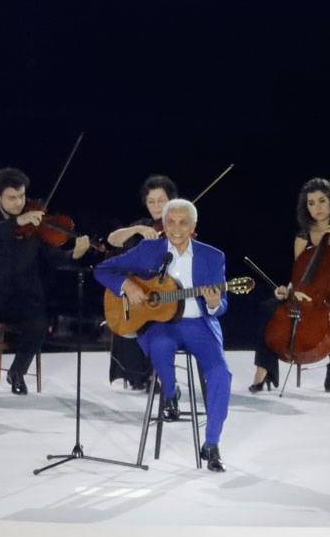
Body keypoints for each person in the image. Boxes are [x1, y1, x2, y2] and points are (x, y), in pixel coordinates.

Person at [95, 199, 231, 472]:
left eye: (183, 222)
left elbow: (221, 305)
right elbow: (103, 269)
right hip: (161, 323)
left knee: (220, 374)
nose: (176, 228)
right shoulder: (149, 250)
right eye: (171, 222)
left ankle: (212, 443)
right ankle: (171, 392)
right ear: (163, 225)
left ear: (193, 226)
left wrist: (215, 302)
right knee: (159, 346)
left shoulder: (213, 256)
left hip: (199, 324)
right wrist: (126, 286)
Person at [0, 167, 91, 396]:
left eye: (22, 196)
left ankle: (16, 372)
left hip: (21, 293)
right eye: (12, 198)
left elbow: (53, 258)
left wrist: (74, 254)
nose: (19, 203)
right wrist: (16, 222)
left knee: (39, 322)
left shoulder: (36, 218)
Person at [252, 178, 330, 392]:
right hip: (308, 294)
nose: (316, 207)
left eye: (322, 201)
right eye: (311, 203)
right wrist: (287, 291)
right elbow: (299, 276)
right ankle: (265, 369)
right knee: (267, 308)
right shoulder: (303, 235)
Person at [102, 174, 178, 390]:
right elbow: (112, 240)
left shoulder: (179, 226)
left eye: (161, 201)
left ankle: (163, 378)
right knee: (136, 314)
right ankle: (139, 375)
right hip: (143, 293)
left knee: (156, 319)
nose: (156, 206)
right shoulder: (143, 226)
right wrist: (135, 230)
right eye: (151, 201)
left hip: (170, 295)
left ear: (171, 200)